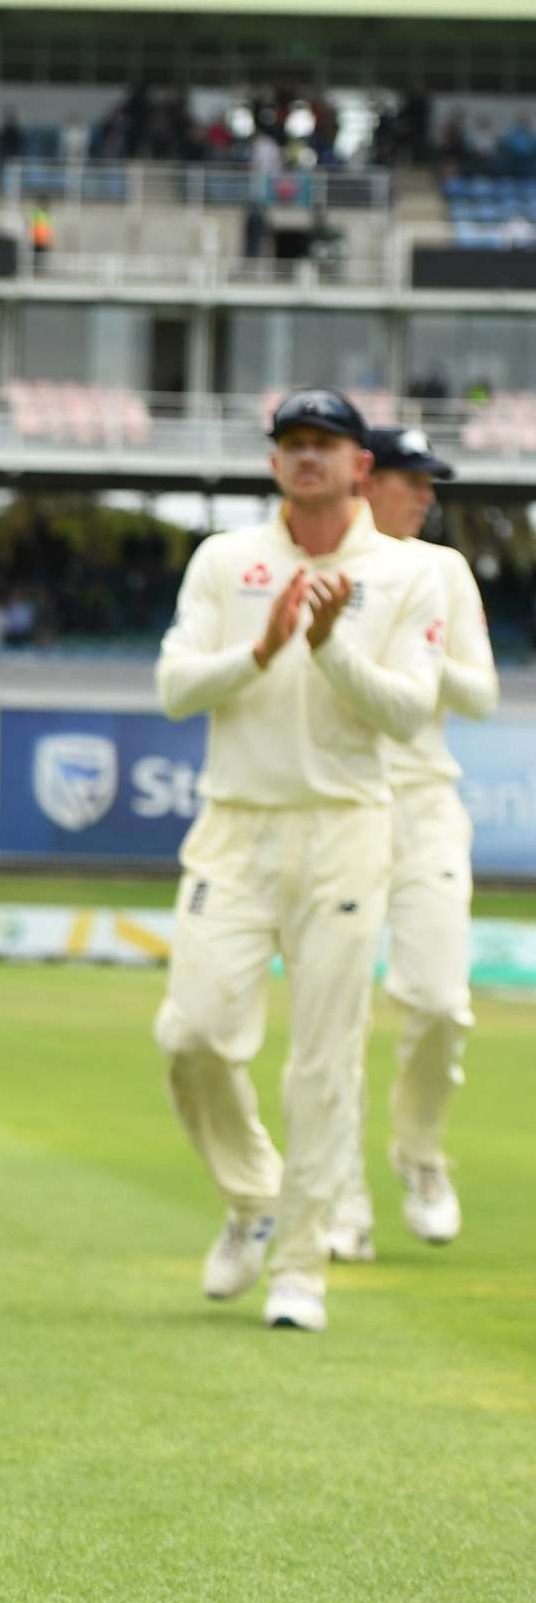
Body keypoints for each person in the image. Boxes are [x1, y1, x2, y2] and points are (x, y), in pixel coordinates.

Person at [153, 390, 444, 1334]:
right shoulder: (225, 561)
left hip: (347, 827)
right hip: (234, 826)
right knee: (191, 1035)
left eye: (325, 444)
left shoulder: (408, 573)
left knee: (323, 1061)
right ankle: (252, 1197)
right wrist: (265, 644)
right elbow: (173, 688)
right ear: (274, 461)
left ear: (363, 465)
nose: (306, 457)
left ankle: (302, 1266)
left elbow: (405, 710)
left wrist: (327, 646)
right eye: (292, 444)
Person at [323, 428, 496, 1261]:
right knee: (341, 1014)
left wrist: (427, 652)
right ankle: (342, 1196)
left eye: (430, 483)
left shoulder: (444, 571)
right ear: (368, 480)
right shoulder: (329, 560)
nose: (425, 495)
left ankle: (420, 1155)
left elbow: (483, 691)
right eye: (410, 479)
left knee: (437, 1003)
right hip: (343, 803)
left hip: (426, 801)